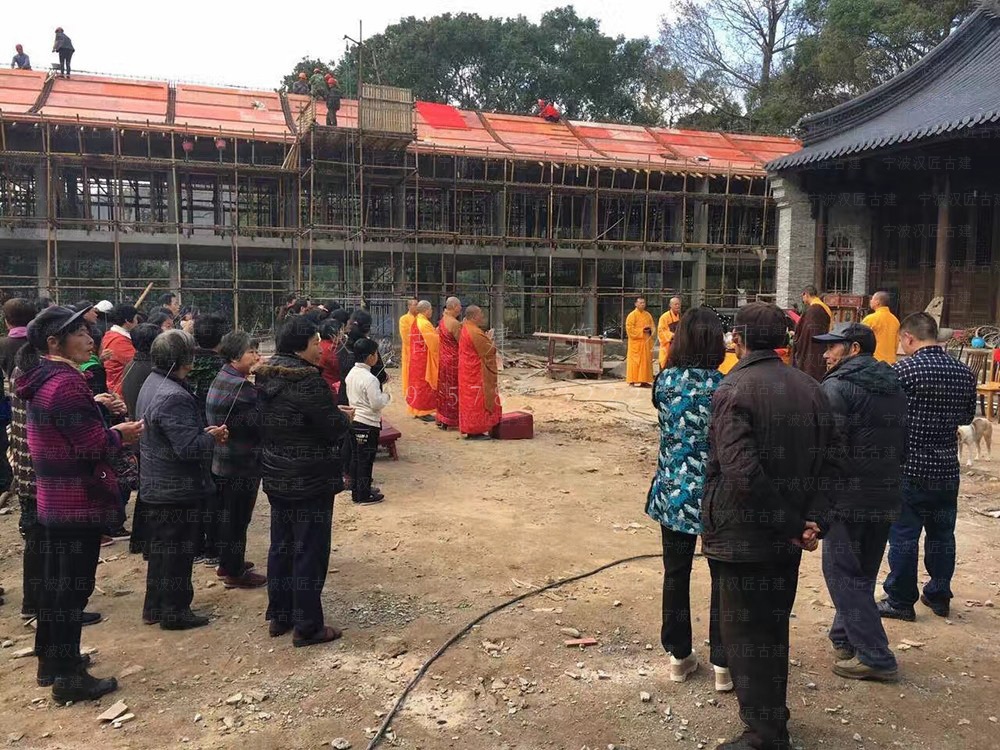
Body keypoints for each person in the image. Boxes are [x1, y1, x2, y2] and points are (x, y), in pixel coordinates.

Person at [702, 302, 836, 750]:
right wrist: (809, 520)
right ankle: (773, 718)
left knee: (744, 634)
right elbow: (830, 461)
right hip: (786, 540)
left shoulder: (733, 388)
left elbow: (741, 473)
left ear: (739, 338)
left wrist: (793, 522)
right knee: (773, 627)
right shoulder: (810, 388)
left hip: (744, 537)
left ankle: (764, 734)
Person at [15, 305, 143, 702]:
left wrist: (98, 410)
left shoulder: (39, 378)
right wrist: (121, 435)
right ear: (54, 342)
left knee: (56, 586)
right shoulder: (67, 383)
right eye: (80, 334)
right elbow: (90, 446)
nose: (90, 339)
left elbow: (63, 430)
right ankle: (68, 678)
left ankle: (52, 661)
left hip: (53, 498)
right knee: (73, 587)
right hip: (76, 501)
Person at [812, 322, 906, 682]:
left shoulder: (836, 387)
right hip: (886, 493)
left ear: (852, 349)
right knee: (862, 571)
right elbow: (904, 442)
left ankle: (875, 655)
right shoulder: (894, 384)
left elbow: (826, 450)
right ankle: (844, 636)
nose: (825, 354)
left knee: (841, 572)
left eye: (831, 347)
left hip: (847, 499)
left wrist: (817, 501)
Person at [644, 308, 731, 692]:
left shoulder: (664, 382)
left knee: (676, 573)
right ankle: (724, 665)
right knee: (723, 578)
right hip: (716, 497)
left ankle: (679, 656)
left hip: (673, 495)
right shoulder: (726, 386)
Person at [256, 315, 352, 646]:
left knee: (281, 544)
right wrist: (342, 417)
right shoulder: (308, 382)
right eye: (314, 343)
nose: (319, 349)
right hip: (310, 477)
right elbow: (332, 428)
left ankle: (280, 615)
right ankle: (308, 626)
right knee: (309, 549)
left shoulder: (265, 378)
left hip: (277, 474)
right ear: (299, 348)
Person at [879, 312, 977, 621]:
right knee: (942, 535)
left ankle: (900, 600)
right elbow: (965, 417)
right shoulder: (963, 372)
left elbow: (886, 414)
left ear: (908, 338)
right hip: (947, 468)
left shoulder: (903, 370)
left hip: (909, 467)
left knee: (904, 535)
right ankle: (938, 594)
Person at [137, 329, 227, 630]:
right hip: (176, 487)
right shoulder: (173, 396)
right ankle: (175, 611)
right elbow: (188, 449)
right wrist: (211, 437)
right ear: (185, 359)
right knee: (177, 551)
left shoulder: (153, 382)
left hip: (158, 481)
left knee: (163, 549)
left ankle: (155, 606)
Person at [206, 331, 266, 588]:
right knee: (237, 517)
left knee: (229, 515)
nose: (256, 356)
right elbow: (261, 419)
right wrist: (263, 379)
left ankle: (228, 562)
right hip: (239, 462)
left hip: (223, 459)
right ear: (234, 356)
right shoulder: (242, 388)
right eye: (250, 352)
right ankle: (233, 571)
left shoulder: (224, 376)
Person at [187, 313, 229, 564]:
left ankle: (196, 545)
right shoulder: (221, 370)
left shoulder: (185, 365)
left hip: (188, 437)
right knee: (215, 495)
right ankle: (213, 547)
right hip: (214, 437)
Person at [120, 323, 161, 556]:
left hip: (138, 436)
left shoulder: (132, 364)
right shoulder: (151, 371)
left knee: (146, 491)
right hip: (148, 437)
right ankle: (147, 541)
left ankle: (139, 539)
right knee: (151, 494)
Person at [346, 337, 390, 505]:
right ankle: (362, 495)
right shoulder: (370, 378)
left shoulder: (352, 373)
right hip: (367, 422)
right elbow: (376, 403)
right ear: (371, 357)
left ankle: (359, 490)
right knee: (366, 460)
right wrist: (386, 395)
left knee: (357, 458)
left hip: (355, 420)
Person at [458, 305, 502, 439]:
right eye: (480, 314)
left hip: (467, 371)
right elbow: (489, 351)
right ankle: (475, 431)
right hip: (476, 374)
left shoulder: (467, 328)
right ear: (473, 316)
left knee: (470, 401)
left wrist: (486, 339)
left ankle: (472, 430)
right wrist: (489, 340)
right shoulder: (474, 332)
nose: (482, 316)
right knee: (477, 401)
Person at [406, 300, 439, 422]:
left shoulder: (417, 321)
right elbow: (434, 343)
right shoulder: (424, 323)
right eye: (430, 309)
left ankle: (416, 410)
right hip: (423, 360)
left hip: (416, 357)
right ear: (426, 310)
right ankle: (422, 411)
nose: (431, 311)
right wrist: (439, 334)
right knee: (424, 384)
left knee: (417, 384)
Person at [792, 285, 832, 381]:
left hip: (812, 349)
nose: (803, 299)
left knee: (811, 376)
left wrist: (796, 336)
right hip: (822, 346)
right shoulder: (824, 307)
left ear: (805, 294)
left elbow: (807, 333)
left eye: (802, 296)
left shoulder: (814, 309)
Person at [100, 304, 139, 396]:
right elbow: (136, 362)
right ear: (128, 321)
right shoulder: (119, 341)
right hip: (120, 390)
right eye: (136, 318)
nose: (137, 322)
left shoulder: (111, 335)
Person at [436, 296, 462, 430]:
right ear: (452, 307)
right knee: (454, 390)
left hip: (443, 359)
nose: (461, 308)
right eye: (459, 306)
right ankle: (451, 419)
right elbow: (462, 343)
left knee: (444, 389)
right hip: (453, 360)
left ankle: (442, 418)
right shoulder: (454, 323)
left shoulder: (442, 320)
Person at [861, 291, 901, 364]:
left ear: (877, 302)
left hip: (874, 362)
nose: (870, 301)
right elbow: (896, 344)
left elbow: (861, 340)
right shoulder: (895, 320)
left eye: (872, 299)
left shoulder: (870, 319)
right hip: (891, 362)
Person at [318, 311, 350, 396]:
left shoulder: (319, 345)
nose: (342, 334)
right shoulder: (332, 349)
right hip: (334, 387)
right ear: (334, 334)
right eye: (340, 331)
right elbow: (342, 367)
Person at [625, 297, 655, 387]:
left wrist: (650, 330)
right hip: (636, 343)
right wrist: (642, 330)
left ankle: (644, 381)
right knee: (634, 363)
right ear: (636, 304)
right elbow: (629, 329)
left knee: (646, 362)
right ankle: (632, 380)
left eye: (643, 303)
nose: (642, 304)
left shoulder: (648, 315)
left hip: (646, 343)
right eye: (640, 303)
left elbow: (653, 326)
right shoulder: (632, 315)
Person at [399, 298, 418, 415]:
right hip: (410, 353)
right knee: (410, 378)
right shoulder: (404, 319)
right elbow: (406, 338)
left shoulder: (420, 318)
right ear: (409, 306)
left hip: (420, 353)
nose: (417, 306)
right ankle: (412, 402)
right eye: (415, 304)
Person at [657, 296, 682, 371]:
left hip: (678, 346)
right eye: (675, 304)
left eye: (678, 304)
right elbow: (661, 331)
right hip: (668, 346)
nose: (677, 306)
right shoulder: (664, 317)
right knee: (666, 367)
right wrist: (672, 335)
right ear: (670, 305)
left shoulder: (681, 316)